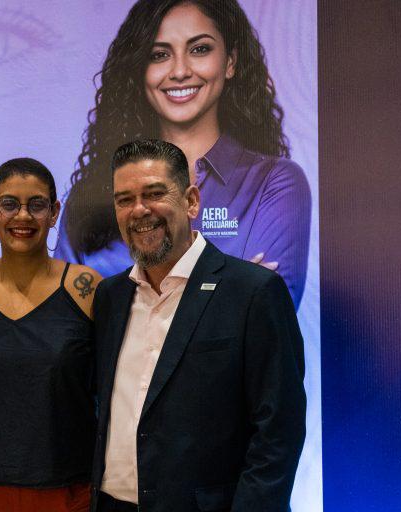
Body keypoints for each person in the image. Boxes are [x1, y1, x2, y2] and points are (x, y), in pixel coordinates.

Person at [92, 139, 305, 512]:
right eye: (125, 200)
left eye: (154, 194)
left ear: (191, 201)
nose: (139, 210)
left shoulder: (253, 292)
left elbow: (278, 430)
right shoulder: (111, 296)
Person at [57, 0, 311, 308]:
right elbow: (68, 320)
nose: (179, 71)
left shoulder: (274, 183)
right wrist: (230, 291)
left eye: (199, 49)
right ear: (140, 69)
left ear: (230, 62)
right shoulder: (91, 196)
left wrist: (121, 306)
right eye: (159, 54)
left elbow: (267, 315)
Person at [0, 158, 101, 512]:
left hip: (66, 489)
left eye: (37, 205)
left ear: (54, 211)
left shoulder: (85, 287)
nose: (23, 216)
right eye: (10, 204)